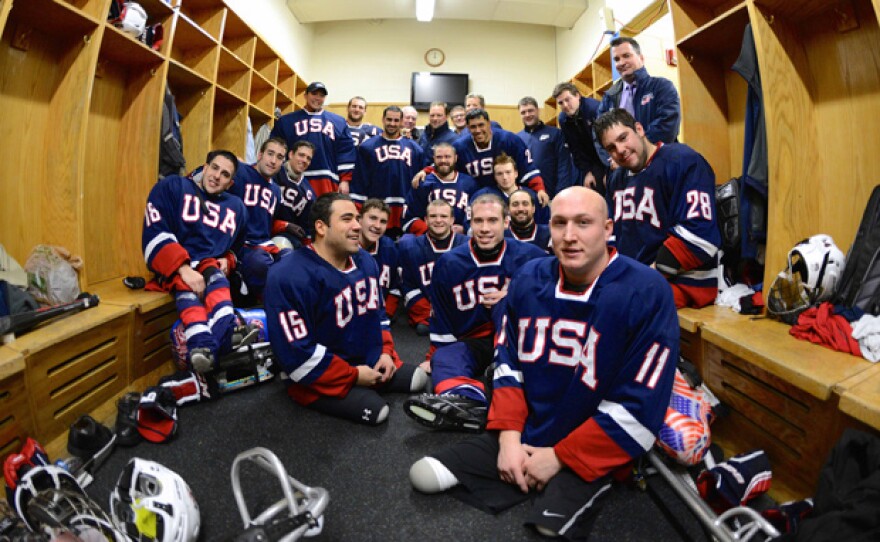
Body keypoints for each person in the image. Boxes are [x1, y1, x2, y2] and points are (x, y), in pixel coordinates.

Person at [408, 187, 679, 540]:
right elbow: (508, 364)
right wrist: (508, 439)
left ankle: (562, 472)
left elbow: (641, 402)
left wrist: (560, 457)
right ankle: (496, 430)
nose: (569, 236)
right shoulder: (530, 277)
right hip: (528, 425)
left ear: (608, 228)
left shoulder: (647, 290)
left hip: (592, 436)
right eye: (560, 223)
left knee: (546, 529)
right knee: (423, 475)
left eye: (583, 223)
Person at [264, 193, 428, 426]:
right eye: (347, 219)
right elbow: (296, 354)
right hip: (318, 372)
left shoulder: (365, 261)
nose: (357, 226)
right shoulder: (288, 275)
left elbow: (378, 316)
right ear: (321, 227)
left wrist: (386, 353)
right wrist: (353, 376)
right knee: (378, 412)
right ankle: (317, 391)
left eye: (357, 218)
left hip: (366, 359)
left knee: (419, 380)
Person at [403, 193, 547, 432]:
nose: (485, 228)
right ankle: (471, 404)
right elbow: (442, 319)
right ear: (469, 223)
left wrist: (514, 296)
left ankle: (511, 389)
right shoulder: (449, 263)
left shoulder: (531, 258)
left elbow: (551, 303)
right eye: (478, 221)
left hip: (516, 340)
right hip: (475, 341)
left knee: (504, 306)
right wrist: (435, 358)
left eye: (492, 221)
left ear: (505, 223)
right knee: (444, 359)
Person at [595, 108, 719, 308]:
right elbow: (614, 238)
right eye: (611, 147)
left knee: (616, 307)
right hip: (637, 280)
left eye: (623, 138)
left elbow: (700, 233)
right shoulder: (616, 180)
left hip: (685, 281)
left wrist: (641, 280)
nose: (620, 150)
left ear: (639, 129)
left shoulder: (683, 160)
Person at [142, 149, 250, 373]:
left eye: (225, 174)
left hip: (208, 266)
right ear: (205, 166)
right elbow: (155, 229)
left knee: (218, 279)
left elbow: (238, 247)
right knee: (187, 292)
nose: (217, 176)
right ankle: (206, 343)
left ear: (230, 183)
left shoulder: (236, 207)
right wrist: (182, 268)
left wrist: (227, 260)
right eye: (215, 168)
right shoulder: (173, 187)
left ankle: (220, 338)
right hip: (175, 266)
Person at [227, 137, 299, 301]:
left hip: (264, 243)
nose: (273, 161)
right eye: (270, 154)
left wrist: (285, 225)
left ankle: (285, 304)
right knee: (259, 262)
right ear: (260, 155)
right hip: (240, 244)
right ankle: (268, 303)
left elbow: (266, 221)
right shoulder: (240, 172)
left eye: (279, 157)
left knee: (291, 259)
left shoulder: (275, 190)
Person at [595, 37, 681, 168]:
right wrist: (612, 160)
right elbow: (599, 135)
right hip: (625, 170)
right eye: (616, 59)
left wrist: (638, 152)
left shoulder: (661, 86)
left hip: (662, 163)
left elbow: (667, 125)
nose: (621, 62)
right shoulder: (609, 97)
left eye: (626, 56)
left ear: (641, 58)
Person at [350, 105, 426, 238]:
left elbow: (420, 184)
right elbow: (359, 183)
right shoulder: (367, 148)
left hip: (404, 213)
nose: (392, 123)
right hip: (376, 213)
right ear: (383, 120)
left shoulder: (415, 149)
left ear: (402, 122)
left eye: (396, 120)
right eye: (389, 119)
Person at [270, 82, 356, 197]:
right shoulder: (286, 121)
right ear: (305, 96)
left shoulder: (338, 122)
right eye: (314, 93)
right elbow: (276, 149)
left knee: (325, 213)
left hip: (328, 182)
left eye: (321, 95)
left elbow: (346, 152)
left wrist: (345, 180)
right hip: (293, 180)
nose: (317, 98)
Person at [397, 199, 468, 338]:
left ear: (452, 220)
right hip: (428, 314)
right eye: (433, 216)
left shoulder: (467, 246)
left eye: (443, 216)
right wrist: (427, 312)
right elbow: (407, 286)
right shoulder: (411, 248)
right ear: (426, 220)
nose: (438, 220)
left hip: (462, 312)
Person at [403, 142, 477, 236]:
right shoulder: (423, 183)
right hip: (429, 240)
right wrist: (430, 231)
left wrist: (466, 229)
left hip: (461, 240)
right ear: (434, 159)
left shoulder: (470, 183)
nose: (443, 160)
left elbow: (478, 214)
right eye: (439, 157)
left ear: (455, 158)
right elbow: (408, 218)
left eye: (447, 157)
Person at [516, 96, 579, 198]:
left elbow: (564, 166)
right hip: (526, 198)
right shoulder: (516, 138)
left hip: (552, 195)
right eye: (523, 112)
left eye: (530, 111)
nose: (527, 115)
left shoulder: (555, 134)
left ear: (538, 110)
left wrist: (560, 194)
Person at [553, 81, 608, 194]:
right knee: (592, 189)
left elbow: (608, 141)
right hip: (592, 162)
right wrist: (588, 172)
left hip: (609, 157)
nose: (565, 106)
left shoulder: (595, 109)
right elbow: (575, 149)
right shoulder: (563, 119)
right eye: (561, 103)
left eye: (568, 100)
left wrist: (609, 171)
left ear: (577, 95)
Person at [472, 153, 548, 225]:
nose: (504, 177)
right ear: (494, 177)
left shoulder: (532, 196)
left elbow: (545, 224)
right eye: (499, 174)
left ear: (516, 173)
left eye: (508, 172)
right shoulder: (484, 196)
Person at [358, 199, 401, 320]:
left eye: (383, 221)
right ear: (359, 219)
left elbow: (395, 285)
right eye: (372, 218)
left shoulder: (389, 248)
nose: (377, 226)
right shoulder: (344, 249)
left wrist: (387, 314)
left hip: (380, 318)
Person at [273, 140, 316, 247]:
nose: (304, 160)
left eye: (308, 158)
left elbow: (306, 228)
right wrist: (283, 225)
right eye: (301, 155)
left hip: (286, 237)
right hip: (261, 227)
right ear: (291, 154)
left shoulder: (309, 194)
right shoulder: (274, 172)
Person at [507, 189, 551, 253]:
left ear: (533, 208)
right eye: (515, 204)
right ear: (508, 209)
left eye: (525, 204)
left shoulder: (549, 234)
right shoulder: (501, 237)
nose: (520, 209)